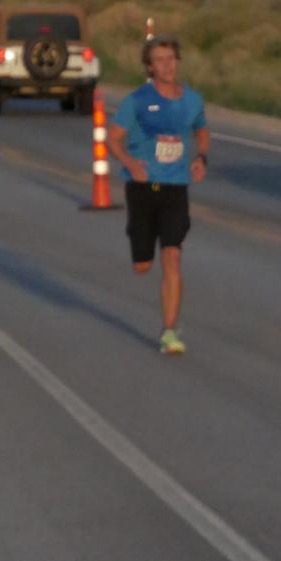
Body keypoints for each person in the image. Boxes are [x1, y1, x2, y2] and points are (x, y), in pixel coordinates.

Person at [109, 36, 209, 354]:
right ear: (150, 67)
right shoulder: (137, 101)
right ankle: (140, 244)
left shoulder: (192, 100)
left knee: (173, 255)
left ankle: (169, 331)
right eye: (159, 60)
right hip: (143, 188)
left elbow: (201, 128)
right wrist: (129, 163)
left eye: (171, 59)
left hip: (175, 188)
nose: (167, 65)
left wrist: (201, 157)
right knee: (142, 265)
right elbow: (113, 138)